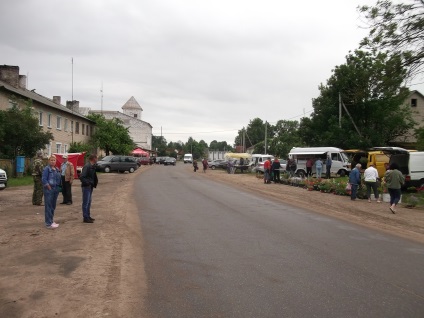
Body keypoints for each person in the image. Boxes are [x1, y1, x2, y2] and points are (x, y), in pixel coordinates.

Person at [41, 155, 62, 229]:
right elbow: (44, 179)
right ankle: (48, 223)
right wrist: (48, 186)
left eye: (54, 160)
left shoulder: (56, 169)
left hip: (55, 189)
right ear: (49, 161)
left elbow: (59, 179)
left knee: (53, 206)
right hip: (49, 189)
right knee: (48, 206)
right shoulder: (47, 169)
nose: (53, 161)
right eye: (51, 160)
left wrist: (59, 187)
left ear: (56, 161)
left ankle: (51, 220)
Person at [80, 154, 98, 223]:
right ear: (94, 158)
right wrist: (88, 183)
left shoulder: (92, 166)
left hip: (90, 186)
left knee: (89, 202)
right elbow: (82, 177)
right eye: (96, 158)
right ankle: (85, 217)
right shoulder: (87, 166)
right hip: (86, 187)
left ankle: (88, 216)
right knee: (86, 202)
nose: (97, 160)